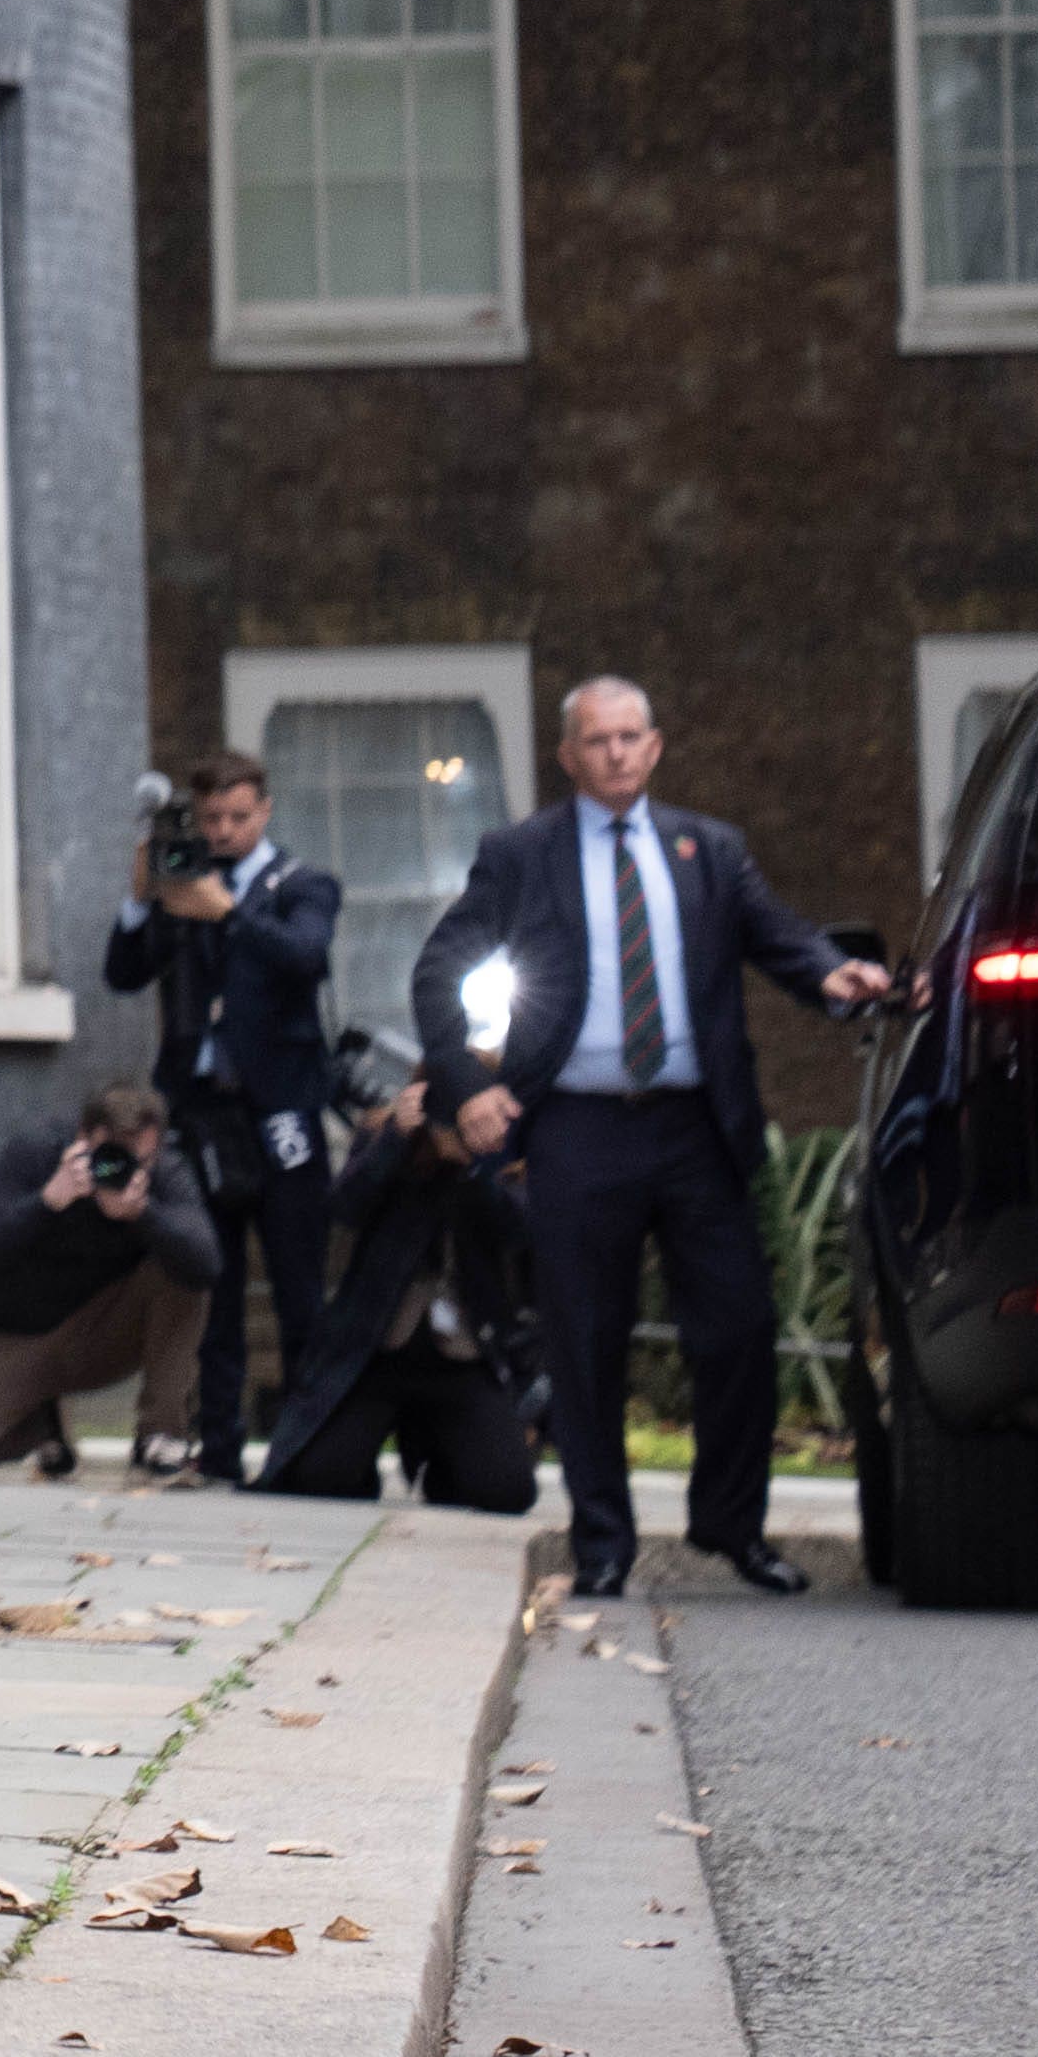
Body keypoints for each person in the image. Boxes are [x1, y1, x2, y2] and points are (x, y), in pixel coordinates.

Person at [408, 677, 889, 1598]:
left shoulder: (708, 849)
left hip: (694, 1128)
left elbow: (781, 939)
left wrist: (836, 979)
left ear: (656, 747)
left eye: (632, 737)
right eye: (598, 740)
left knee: (741, 1326)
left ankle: (732, 1527)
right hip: (578, 1127)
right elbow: (439, 972)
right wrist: (466, 1087)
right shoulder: (521, 854)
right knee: (586, 1341)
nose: (617, 753)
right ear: (568, 755)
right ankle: (602, 1545)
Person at [98, 751, 341, 1485]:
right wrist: (143, 901)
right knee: (214, 1284)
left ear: (265, 811)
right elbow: (123, 973)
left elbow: (307, 957)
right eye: (212, 820)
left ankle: (306, 1451)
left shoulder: (302, 884)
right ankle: (222, 1449)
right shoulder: (182, 891)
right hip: (201, 1113)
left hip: (281, 1109)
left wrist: (231, 911)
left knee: (299, 1281)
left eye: (239, 817)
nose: (226, 831)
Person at [254, 1069, 542, 1515]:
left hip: (461, 1357)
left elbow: (518, 1231)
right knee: (315, 1478)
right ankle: (361, 1459)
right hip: (378, 1352)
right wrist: (394, 1141)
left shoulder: (505, 1152)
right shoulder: (385, 1138)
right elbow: (345, 1208)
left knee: (507, 1492)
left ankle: (445, 1459)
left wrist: (476, 1167)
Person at [0, 1085, 219, 1485]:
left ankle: (160, 1437)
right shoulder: (37, 1152)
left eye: (138, 1160)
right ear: (83, 1137)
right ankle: (41, 1428)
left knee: (183, 1268)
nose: (121, 1169)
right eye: (109, 1156)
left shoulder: (164, 1172)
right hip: (18, 1336)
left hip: (107, 1333)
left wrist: (144, 1213)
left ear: (157, 1149)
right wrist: (48, 1200)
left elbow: (207, 1265)